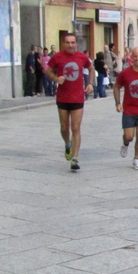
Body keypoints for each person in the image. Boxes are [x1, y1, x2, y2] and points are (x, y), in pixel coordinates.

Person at [45, 33, 94, 171]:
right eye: (68, 42)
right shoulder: (57, 57)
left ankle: (75, 159)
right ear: (63, 44)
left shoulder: (82, 57)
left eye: (73, 42)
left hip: (78, 97)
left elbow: (91, 68)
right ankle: (67, 144)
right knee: (64, 128)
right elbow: (48, 70)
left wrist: (90, 83)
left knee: (76, 128)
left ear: (76, 44)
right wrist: (56, 79)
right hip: (62, 97)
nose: (70, 45)